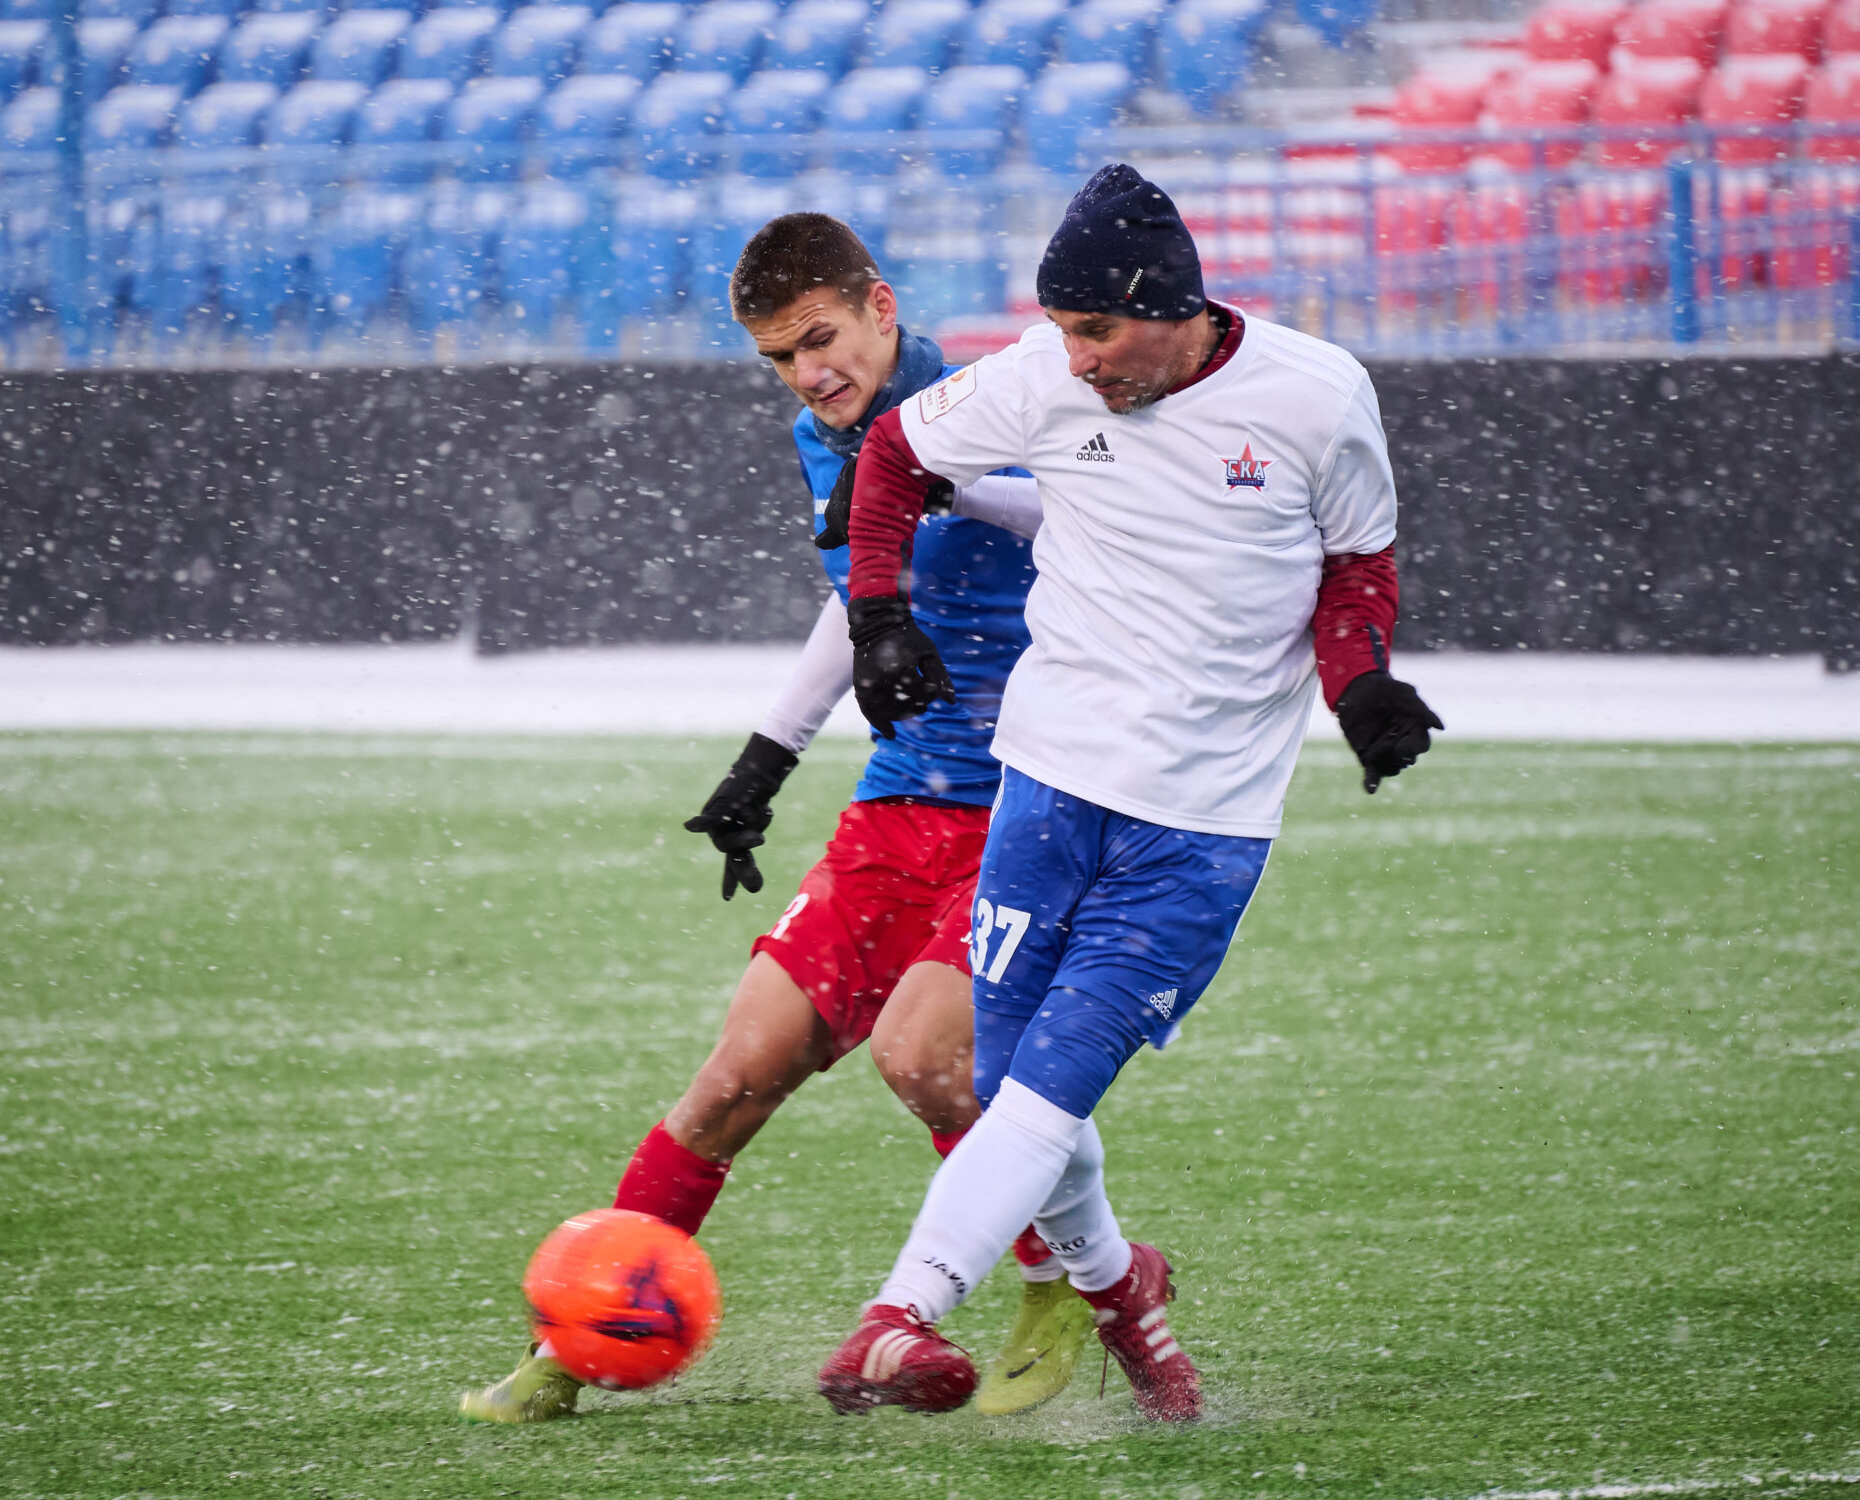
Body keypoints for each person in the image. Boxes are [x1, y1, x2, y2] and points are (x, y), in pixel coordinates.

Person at [816, 165, 1443, 1422]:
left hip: (1199, 832)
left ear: (1175, 308)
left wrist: (1360, 680)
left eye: (1098, 329)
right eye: (1062, 328)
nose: (1078, 358)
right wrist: (878, 613)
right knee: (1007, 1084)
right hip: (1045, 788)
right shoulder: (1042, 377)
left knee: (1052, 1085)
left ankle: (898, 1317)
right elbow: (891, 452)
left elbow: (1357, 563)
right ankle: (1123, 1290)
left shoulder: (1319, 396)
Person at [460, 212, 1092, 1424]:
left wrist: (935, 480)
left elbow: (1092, 526)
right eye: (780, 358)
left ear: (881, 306)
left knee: (930, 1062)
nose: (808, 375)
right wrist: (768, 757)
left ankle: (1059, 1282)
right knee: (733, 1080)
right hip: (900, 801)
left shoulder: (1004, 403)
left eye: (820, 340)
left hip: (1034, 803)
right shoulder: (823, 437)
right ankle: (578, 1338)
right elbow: (858, 601)